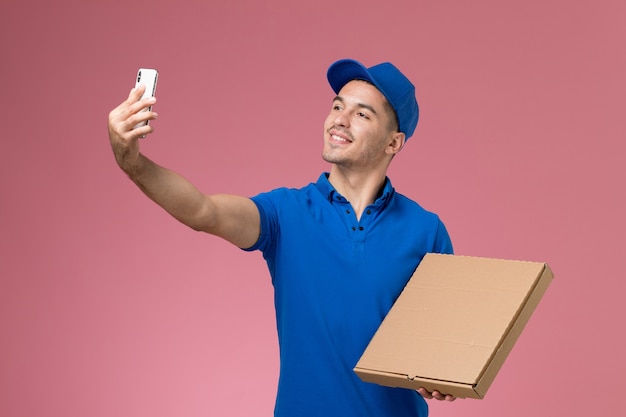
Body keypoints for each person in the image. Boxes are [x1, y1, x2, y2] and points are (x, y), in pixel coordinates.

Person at [108, 58, 456, 416]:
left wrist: (443, 374)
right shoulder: (285, 213)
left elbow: (446, 342)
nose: (339, 119)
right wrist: (133, 163)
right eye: (337, 106)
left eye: (362, 114)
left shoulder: (426, 231)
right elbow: (202, 211)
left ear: (393, 143)